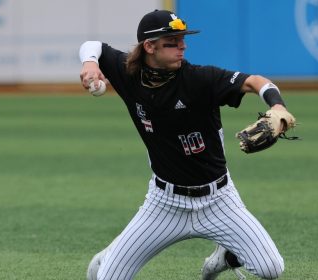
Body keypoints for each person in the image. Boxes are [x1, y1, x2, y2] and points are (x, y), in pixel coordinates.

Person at [79, 9, 291, 280]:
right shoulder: (128, 73)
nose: (182, 46)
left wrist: (277, 105)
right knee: (107, 277)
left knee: (270, 268)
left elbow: (254, 81)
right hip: (164, 203)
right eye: (172, 42)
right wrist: (90, 63)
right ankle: (112, 255)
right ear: (149, 46)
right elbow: (92, 46)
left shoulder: (200, 79)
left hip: (219, 200)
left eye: (182, 40)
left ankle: (225, 256)